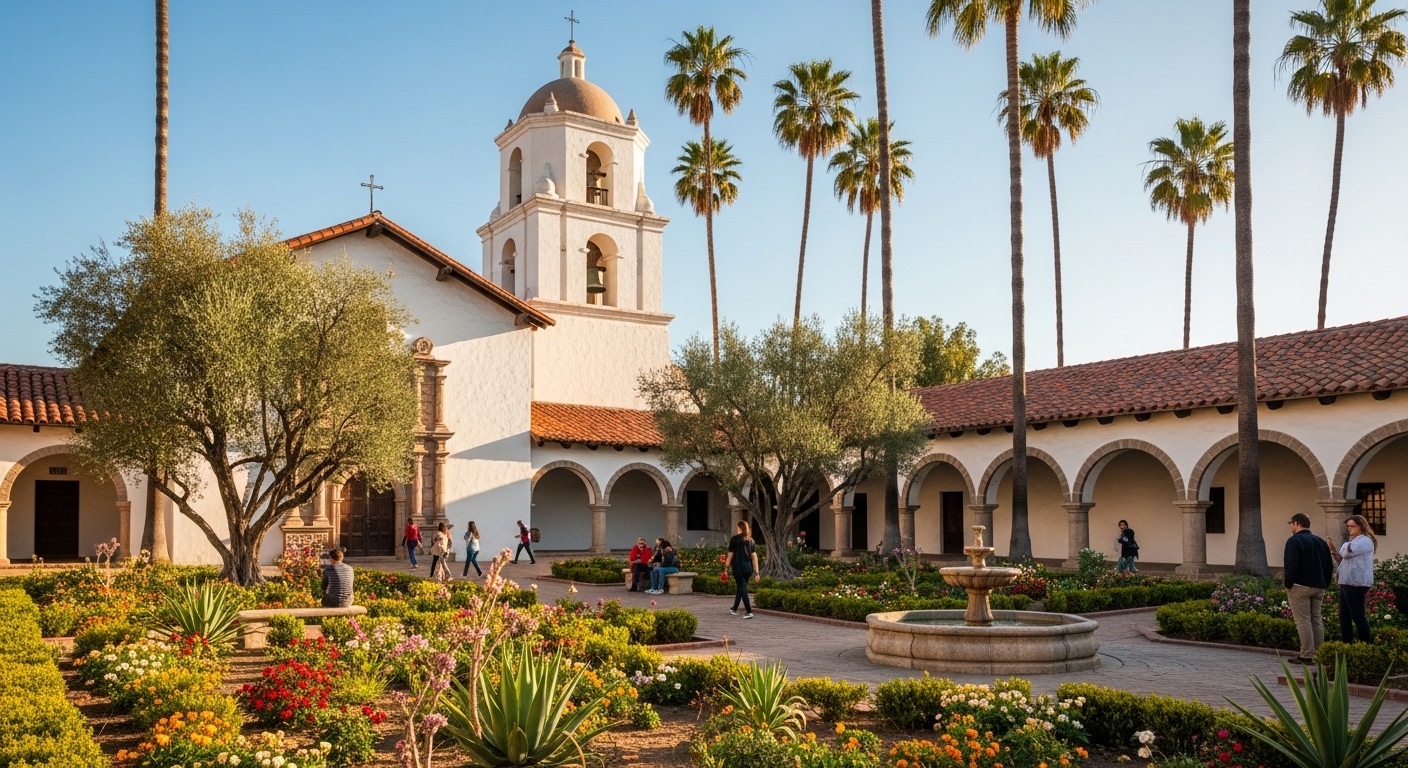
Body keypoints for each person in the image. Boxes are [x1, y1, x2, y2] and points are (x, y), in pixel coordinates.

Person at [1284, 512, 1334, 664]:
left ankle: (1307, 654)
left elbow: (1292, 565)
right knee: (1316, 619)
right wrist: (1325, 582)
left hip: (1300, 586)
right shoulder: (1320, 541)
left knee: (1303, 621)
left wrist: (1288, 583)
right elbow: (1329, 565)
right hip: (1318, 585)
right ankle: (1319, 653)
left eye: (1291, 524)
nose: (1291, 527)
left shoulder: (1294, 541)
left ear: (1296, 523)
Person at [1332, 513, 1376, 644]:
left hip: (1356, 583)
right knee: (1344, 616)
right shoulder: (1353, 542)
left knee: (1357, 615)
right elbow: (1341, 557)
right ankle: (1347, 643)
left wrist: (1344, 546)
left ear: (1361, 527)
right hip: (1346, 582)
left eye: (1353, 526)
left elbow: (1346, 552)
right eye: (1348, 526)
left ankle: (1365, 643)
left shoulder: (1364, 541)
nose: (1349, 529)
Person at [724, 520, 760, 619]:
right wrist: (757, 572)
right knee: (741, 587)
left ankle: (749, 611)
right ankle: (734, 608)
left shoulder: (734, 539)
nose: (737, 529)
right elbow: (754, 557)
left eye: (738, 527)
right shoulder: (751, 540)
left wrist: (726, 569)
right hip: (748, 568)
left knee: (742, 588)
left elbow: (730, 555)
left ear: (740, 528)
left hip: (738, 566)